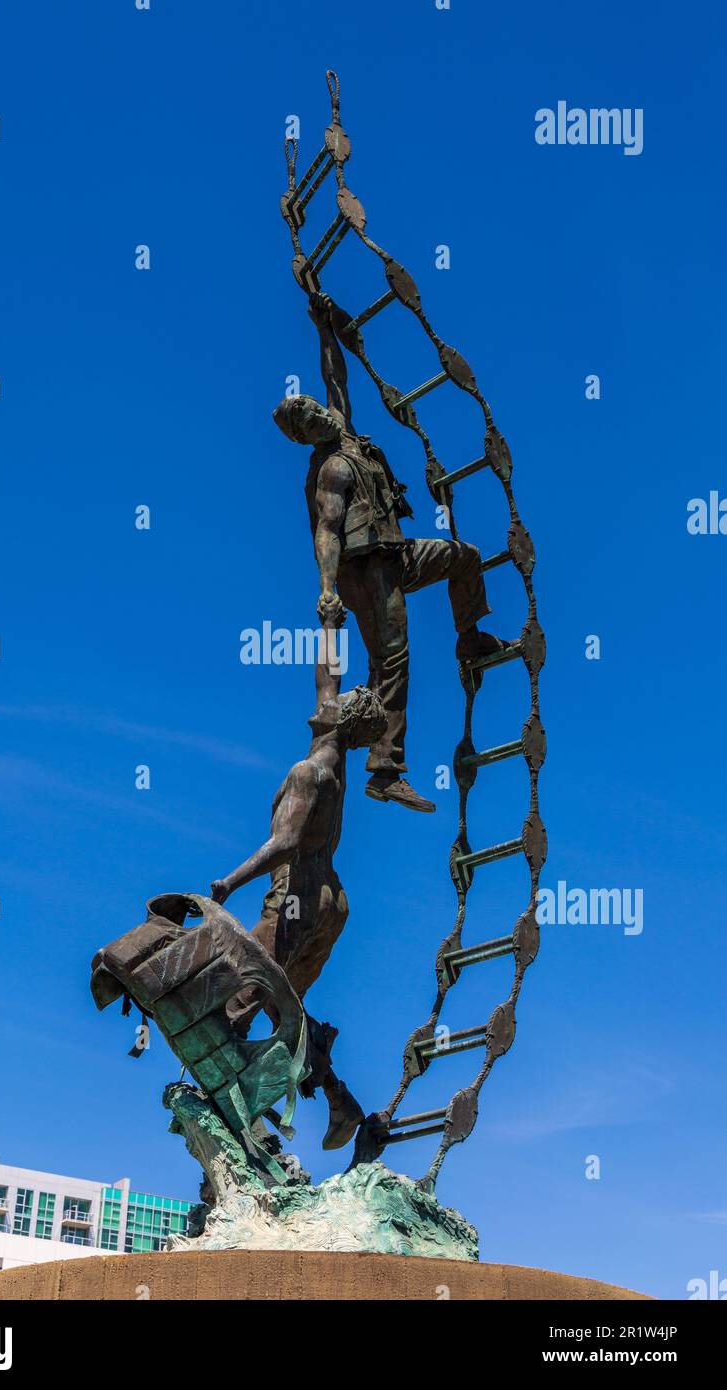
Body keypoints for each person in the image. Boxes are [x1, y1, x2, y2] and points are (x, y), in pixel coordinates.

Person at [273, 292, 506, 813]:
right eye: (308, 422)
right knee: (392, 661)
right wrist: (327, 588)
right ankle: (384, 768)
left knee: (463, 556)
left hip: (396, 552)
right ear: (307, 438)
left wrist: (323, 327)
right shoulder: (330, 469)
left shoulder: (346, 432)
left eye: (311, 407)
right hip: (367, 572)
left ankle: (469, 637)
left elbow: (336, 375)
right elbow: (327, 532)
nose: (317, 414)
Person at [210, 624, 386, 1150]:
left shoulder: (308, 772)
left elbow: (286, 842)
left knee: (235, 1003)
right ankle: (340, 1100)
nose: (330, 699)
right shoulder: (335, 763)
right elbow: (326, 682)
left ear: (342, 718)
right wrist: (330, 619)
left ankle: (252, 1120)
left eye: (341, 700)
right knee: (285, 1010)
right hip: (331, 902)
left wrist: (230, 882)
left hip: (295, 896)